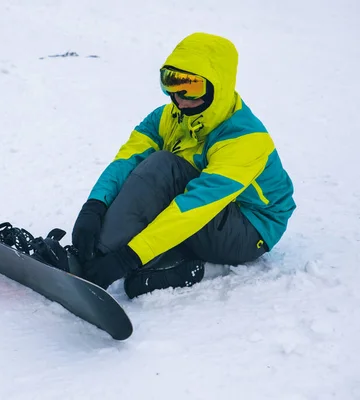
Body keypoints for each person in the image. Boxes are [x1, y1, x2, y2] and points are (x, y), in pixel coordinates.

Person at [71, 32, 296, 298]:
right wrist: (94, 206)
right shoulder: (167, 117)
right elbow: (126, 162)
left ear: (218, 86)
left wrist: (127, 258)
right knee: (146, 171)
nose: (179, 97)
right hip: (207, 213)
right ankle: (95, 251)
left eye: (191, 87)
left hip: (250, 228)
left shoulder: (245, 139)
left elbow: (197, 206)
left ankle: (97, 257)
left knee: (165, 167)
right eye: (171, 82)